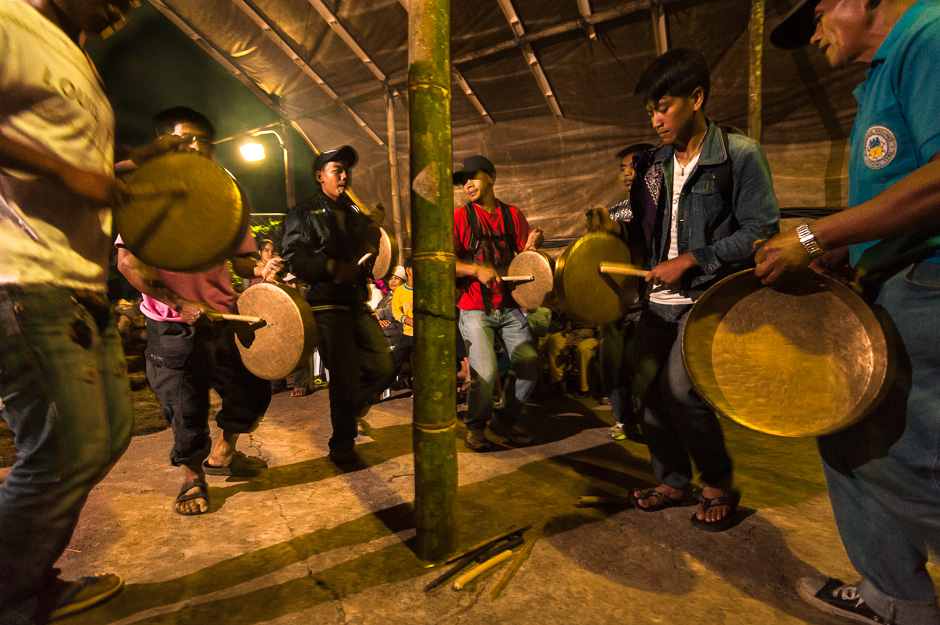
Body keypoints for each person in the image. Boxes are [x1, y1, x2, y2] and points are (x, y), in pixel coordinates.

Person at [761, 2, 940, 623]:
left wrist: (812, 236)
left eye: (812, 17)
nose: (813, 37)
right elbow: (902, 188)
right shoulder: (881, 77)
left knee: (905, 461)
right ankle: (894, 596)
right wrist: (847, 246)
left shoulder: (931, 36)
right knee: (846, 435)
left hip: (929, 284)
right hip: (896, 280)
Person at [0, 1, 149, 622]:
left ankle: (31, 580)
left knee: (106, 437)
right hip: (24, 275)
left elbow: (57, 149)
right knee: (64, 448)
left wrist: (107, 174)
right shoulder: (8, 19)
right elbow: (54, 164)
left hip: (79, 282)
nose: (127, 3)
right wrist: (66, 171)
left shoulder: (79, 54)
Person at [628, 48, 780, 531]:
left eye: (664, 106)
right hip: (657, 301)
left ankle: (717, 482)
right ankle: (673, 480)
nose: (656, 119)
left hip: (707, 298)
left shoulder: (739, 154)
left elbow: (761, 230)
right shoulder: (654, 165)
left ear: (696, 98)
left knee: (681, 389)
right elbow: (639, 222)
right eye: (650, 110)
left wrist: (693, 259)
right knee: (647, 390)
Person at [117, 107, 278, 516]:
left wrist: (264, 275)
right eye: (184, 140)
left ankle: (223, 454)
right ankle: (192, 476)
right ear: (164, 146)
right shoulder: (148, 195)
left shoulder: (225, 197)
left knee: (252, 392)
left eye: (203, 142)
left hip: (224, 317)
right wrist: (178, 303)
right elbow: (129, 264)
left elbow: (242, 261)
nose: (195, 148)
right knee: (186, 409)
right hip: (173, 324)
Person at [281, 146, 395, 465]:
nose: (344, 175)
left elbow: (370, 255)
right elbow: (294, 255)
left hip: (356, 302)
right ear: (320, 177)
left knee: (383, 368)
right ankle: (342, 443)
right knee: (343, 374)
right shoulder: (303, 213)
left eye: (346, 170)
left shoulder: (356, 214)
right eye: (336, 170)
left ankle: (351, 412)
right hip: (326, 305)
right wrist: (330, 267)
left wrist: (375, 232)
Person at [453, 155, 543, 451]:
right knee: (487, 372)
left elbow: (520, 260)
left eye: (473, 177)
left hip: (509, 305)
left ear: (491, 176)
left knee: (529, 363)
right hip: (474, 307)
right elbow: (443, 263)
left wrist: (530, 250)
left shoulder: (513, 215)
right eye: (463, 181)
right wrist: (474, 269)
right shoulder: (460, 217)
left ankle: (505, 418)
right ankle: (476, 425)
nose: (467, 184)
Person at [587, 143, 655, 440]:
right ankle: (625, 421)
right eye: (622, 168)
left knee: (643, 370)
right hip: (615, 304)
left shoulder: (659, 209)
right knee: (612, 366)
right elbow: (602, 251)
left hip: (648, 304)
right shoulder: (615, 211)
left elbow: (641, 240)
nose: (627, 173)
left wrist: (616, 232)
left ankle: (651, 423)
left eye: (634, 166)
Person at [390, 257, 414, 385]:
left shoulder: (426, 289)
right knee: (392, 363)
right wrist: (406, 319)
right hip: (407, 334)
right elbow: (395, 311)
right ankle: (376, 390)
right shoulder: (400, 291)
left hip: (423, 336)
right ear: (409, 271)